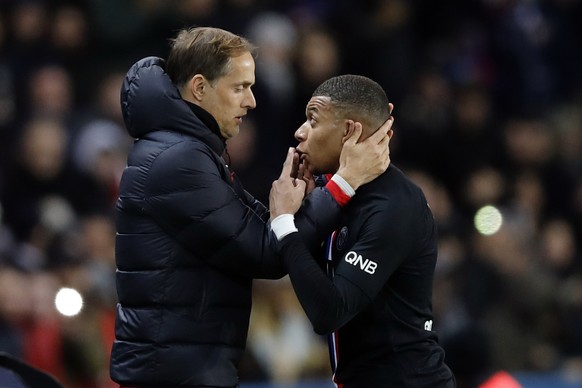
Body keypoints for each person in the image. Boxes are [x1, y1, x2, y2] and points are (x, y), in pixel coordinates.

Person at [109, 27, 393, 388]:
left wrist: (300, 198)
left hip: (180, 367)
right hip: (174, 374)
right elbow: (267, 251)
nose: (251, 101)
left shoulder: (188, 149)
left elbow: (265, 229)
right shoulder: (179, 158)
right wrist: (343, 184)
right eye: (240, 87)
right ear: (200, 88)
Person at [269, 74, 456, 387]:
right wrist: (303, 212)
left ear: (348, 131)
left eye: (313, 121)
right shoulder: (337, 194)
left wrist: (285, 223)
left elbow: (329, 311)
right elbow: (310, 278)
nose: (300, 132)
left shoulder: (394, 206)